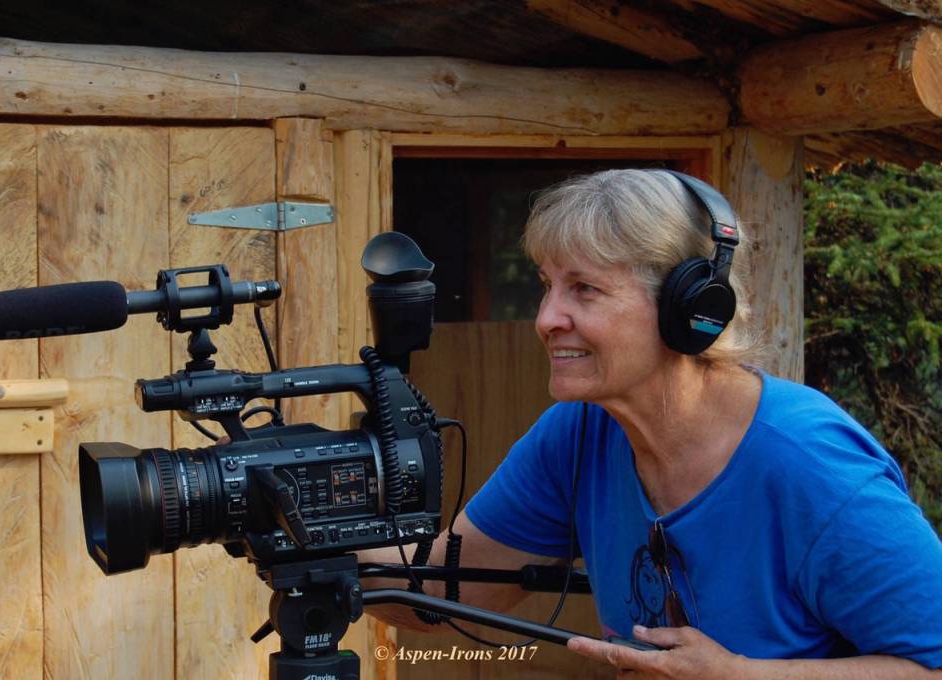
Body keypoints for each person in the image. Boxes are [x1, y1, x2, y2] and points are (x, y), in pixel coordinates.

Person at [363, 169, 942, 678]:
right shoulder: (578, 434)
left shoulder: (811, 467)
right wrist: (323, 548)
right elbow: (445, 586)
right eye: (547, 286)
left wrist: (740, 677)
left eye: (584, 289)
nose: (546, 319)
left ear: (689, 306)